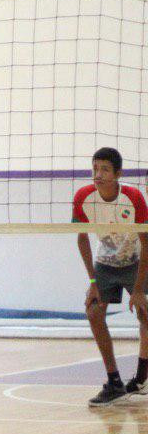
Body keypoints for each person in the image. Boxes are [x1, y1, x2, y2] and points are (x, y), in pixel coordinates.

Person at [73, 147, 148, 405]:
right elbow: (81, 239)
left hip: (137, 260)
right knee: (94, 312)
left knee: (145, 311)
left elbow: (146, 241)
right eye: (95, 168)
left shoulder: (132, 196)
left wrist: (138, 289)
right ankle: (114, 381)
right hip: (105, 262)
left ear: (118, 173)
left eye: (104, 169)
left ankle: (141, 376)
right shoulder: (84, 197)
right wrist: (93, 282)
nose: (98, 174)